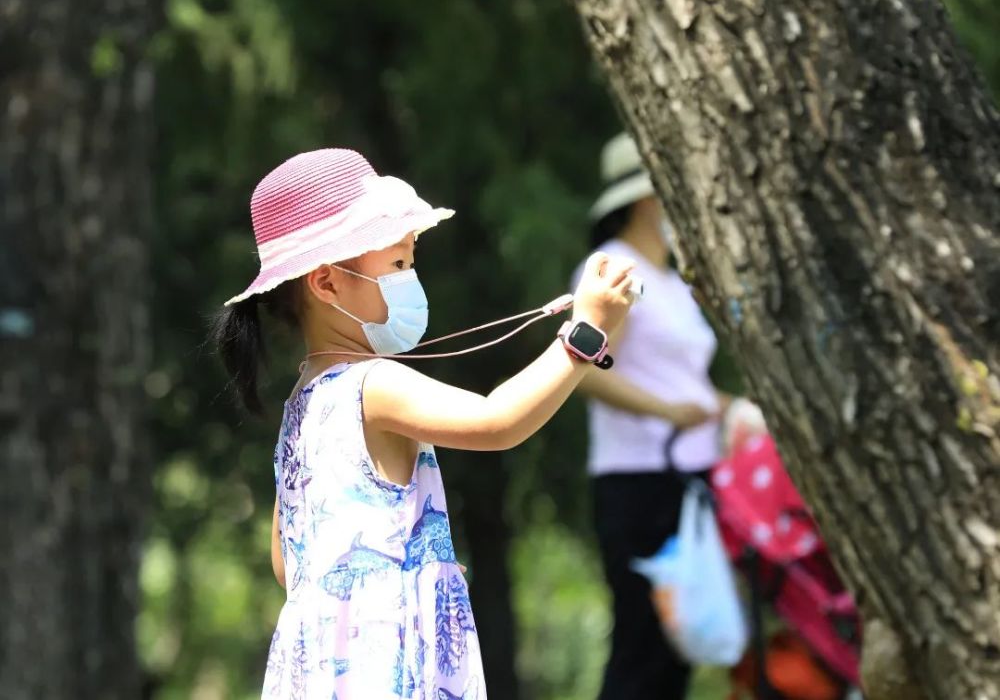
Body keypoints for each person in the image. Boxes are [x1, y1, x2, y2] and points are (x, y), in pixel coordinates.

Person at [213, 148, 636, 699]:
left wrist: (408, 562)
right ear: (326, 283)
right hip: (383, 665)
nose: (411, 278)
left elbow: (288, 559)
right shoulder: (373, 384)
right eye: (397, 265)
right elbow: (496, 421)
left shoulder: (303, 404)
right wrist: (585, 335)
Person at [574, 132, 731, 700]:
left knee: (676, 652)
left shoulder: (670, 282)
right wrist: (668, 412)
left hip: (688, 477)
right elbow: (584, 369)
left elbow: (688, 383)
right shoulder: (615, 272)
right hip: (638, 477)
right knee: (643, 647)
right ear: (646, 199)